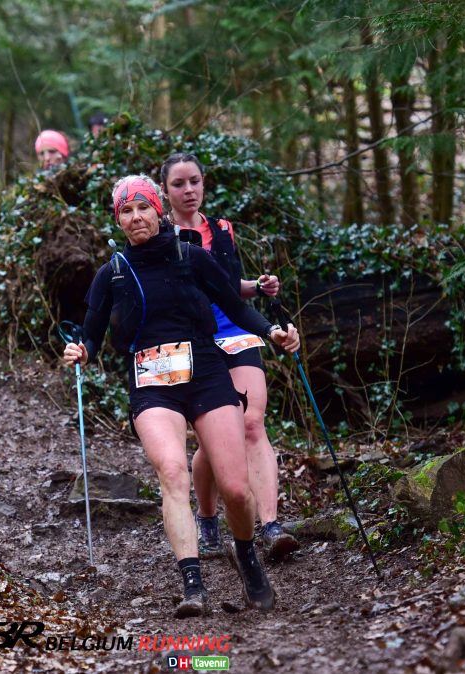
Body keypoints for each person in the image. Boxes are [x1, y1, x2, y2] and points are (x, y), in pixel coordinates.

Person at [62, 174, 301, 618]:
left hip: (207, 374)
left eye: (143, 208)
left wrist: (272, 331)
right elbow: (91, 337)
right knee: (172, 471)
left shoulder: (191, 257)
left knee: (234, 486)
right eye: (126, 211)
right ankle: (193, 585)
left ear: (158, 210)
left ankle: (247, 557)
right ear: (119, 219)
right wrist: (81, 351)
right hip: (151, 381)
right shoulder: (111, 272)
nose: (136, 217)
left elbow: (235, 307)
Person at [160, 152, 301, 563]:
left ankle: (271, 526)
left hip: (234, 330)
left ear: (204, 184)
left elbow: (226, 288)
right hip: (191, 339)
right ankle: (207, 518)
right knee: (211, 438)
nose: (189, 191)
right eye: (179, 184)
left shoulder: (221, 230)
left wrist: (257, 287)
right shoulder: (158, 235)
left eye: (195, 182)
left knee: (252, 422)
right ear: (165, 191)